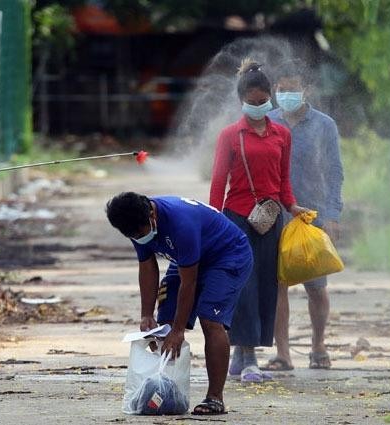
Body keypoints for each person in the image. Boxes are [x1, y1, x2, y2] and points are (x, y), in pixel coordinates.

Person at [106, 193, 253, 415]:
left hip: (227, 256)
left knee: (210, 320)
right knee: (162, 325)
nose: (138, 238)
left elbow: (189, 283)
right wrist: (147, 315)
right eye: (133, 236)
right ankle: (165, 394)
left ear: (152, 215)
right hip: (186, 259)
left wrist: (178, 330)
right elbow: (147, 266)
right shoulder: (134, 221)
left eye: (140, 233)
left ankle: (215, 398)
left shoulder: (180, 223)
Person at [209, 58, 309, 383]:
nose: (257, 106)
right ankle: (249, 357)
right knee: (244, 286)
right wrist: (213, 221)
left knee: (266, 285)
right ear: (242, 102)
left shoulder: (282, 134)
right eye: (251, 103)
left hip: (271, 219)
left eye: (262, 101)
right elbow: (218, 180)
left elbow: (284, 180)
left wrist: (292, 207)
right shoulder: (230, 135)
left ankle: (242, 354)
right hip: (236, 220)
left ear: (270, 98)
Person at [261, 59, 343, 371]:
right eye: (282, 90)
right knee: (278, 285)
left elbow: (335, 172)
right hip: (275, 216)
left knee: (316, 286)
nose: (287, 95)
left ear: (306, 90)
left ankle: (318, 346)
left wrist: (333, 214)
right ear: (274, 90)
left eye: (293, 90)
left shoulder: (324, 125)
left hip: (311, 215)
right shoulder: (267, 122)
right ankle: (283, 353)